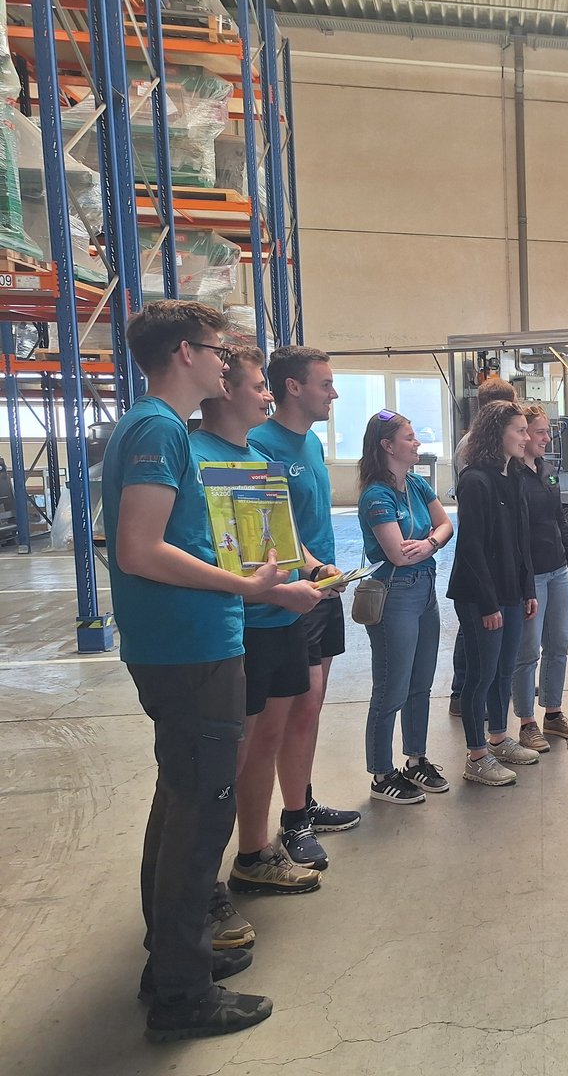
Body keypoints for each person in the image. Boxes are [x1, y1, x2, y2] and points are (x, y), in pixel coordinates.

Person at [103, 301, 284, 1041]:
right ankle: (182, 995)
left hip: (183, 643)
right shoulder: (158, 428)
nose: (224, 362)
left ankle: (174, 961)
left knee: (179, 801)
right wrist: (244, 586)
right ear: (185, 352)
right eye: (217, 350)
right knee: (202, 812)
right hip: (189, 646)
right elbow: (139, 548)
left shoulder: (155, 427)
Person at [189, 346, 332, 896]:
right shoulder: (195, 455)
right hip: (240, 624)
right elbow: (203, 551)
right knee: (231, 755)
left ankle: (253, 854)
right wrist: (274, 590)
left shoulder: (253, 455)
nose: (268, 396)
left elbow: (279, 533)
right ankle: (202, 884)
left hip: (281, 619)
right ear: (225, 390)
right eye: (258, 387)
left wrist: (313, 568)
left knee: (268, 737)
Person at [249, 347, 360, 868]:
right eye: (325, 384)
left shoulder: (311, 442)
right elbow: (269, 528)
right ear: (293, 387)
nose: (333, 393)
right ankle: (292, 820)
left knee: (311, 708)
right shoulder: (260, 444)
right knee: (295, 709)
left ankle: (302, 802)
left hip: (321, 589)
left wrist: (323, 574)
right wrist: (305, 574)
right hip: (288, 596)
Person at [356, 410, 454, 803]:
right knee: (391, 687)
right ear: (387, 445)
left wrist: (429, 543)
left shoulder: (415, 483)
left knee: (420, 683)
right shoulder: (376, 496)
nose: (417, 443)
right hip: (395, 594)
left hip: (425, 588)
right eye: (409, 437)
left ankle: (415, 759)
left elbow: (446, 526)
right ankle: (382, 774)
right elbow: (398, 554)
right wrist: (431, 542)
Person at [448, 400, 541, 784]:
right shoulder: (475, 481)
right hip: (480, 597)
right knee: (481, 674)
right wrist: (488, 604)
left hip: (511, 592)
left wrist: (527, 588)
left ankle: (499, 739)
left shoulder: (514, 476)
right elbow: (471, 548)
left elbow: (521, 541)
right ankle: (476, 756)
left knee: (504, 670)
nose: (526, 437)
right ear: (497, 433)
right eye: (519, 430)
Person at [511, 405, 568, 749]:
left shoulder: (547, 470)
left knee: (558, 645)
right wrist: (526, 583)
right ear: (523, 434)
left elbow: (559, 522)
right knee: (528, 651)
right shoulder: (511, 475)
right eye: (540, 432)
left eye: (546, 432)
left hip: (557, 572)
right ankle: (526, 722)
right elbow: (515, 537)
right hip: (532, 577)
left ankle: (553, 714)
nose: (546, 438)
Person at [449, 375, 520, 718]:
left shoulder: (506, 467)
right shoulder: (475, 461)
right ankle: (462, 694)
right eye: (519, 429)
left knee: (494, 659)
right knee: (477, 646)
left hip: (500, 568)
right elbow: (472, 543)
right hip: (482, 570)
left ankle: (489, 712)